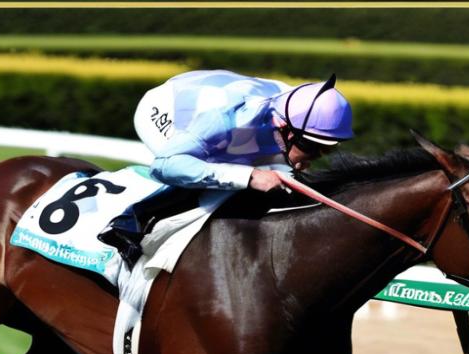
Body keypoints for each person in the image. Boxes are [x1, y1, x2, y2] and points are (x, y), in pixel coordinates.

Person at [98, 70, 354, 267]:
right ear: (285, 129)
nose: (318, 156)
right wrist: (249, 176)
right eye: (312, 147)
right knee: (223, 172)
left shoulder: (297, 113)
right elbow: (165, 165)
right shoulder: (231, 118)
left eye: (327, 149)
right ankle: (129, 221)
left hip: (222, 101)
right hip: (167, 109)